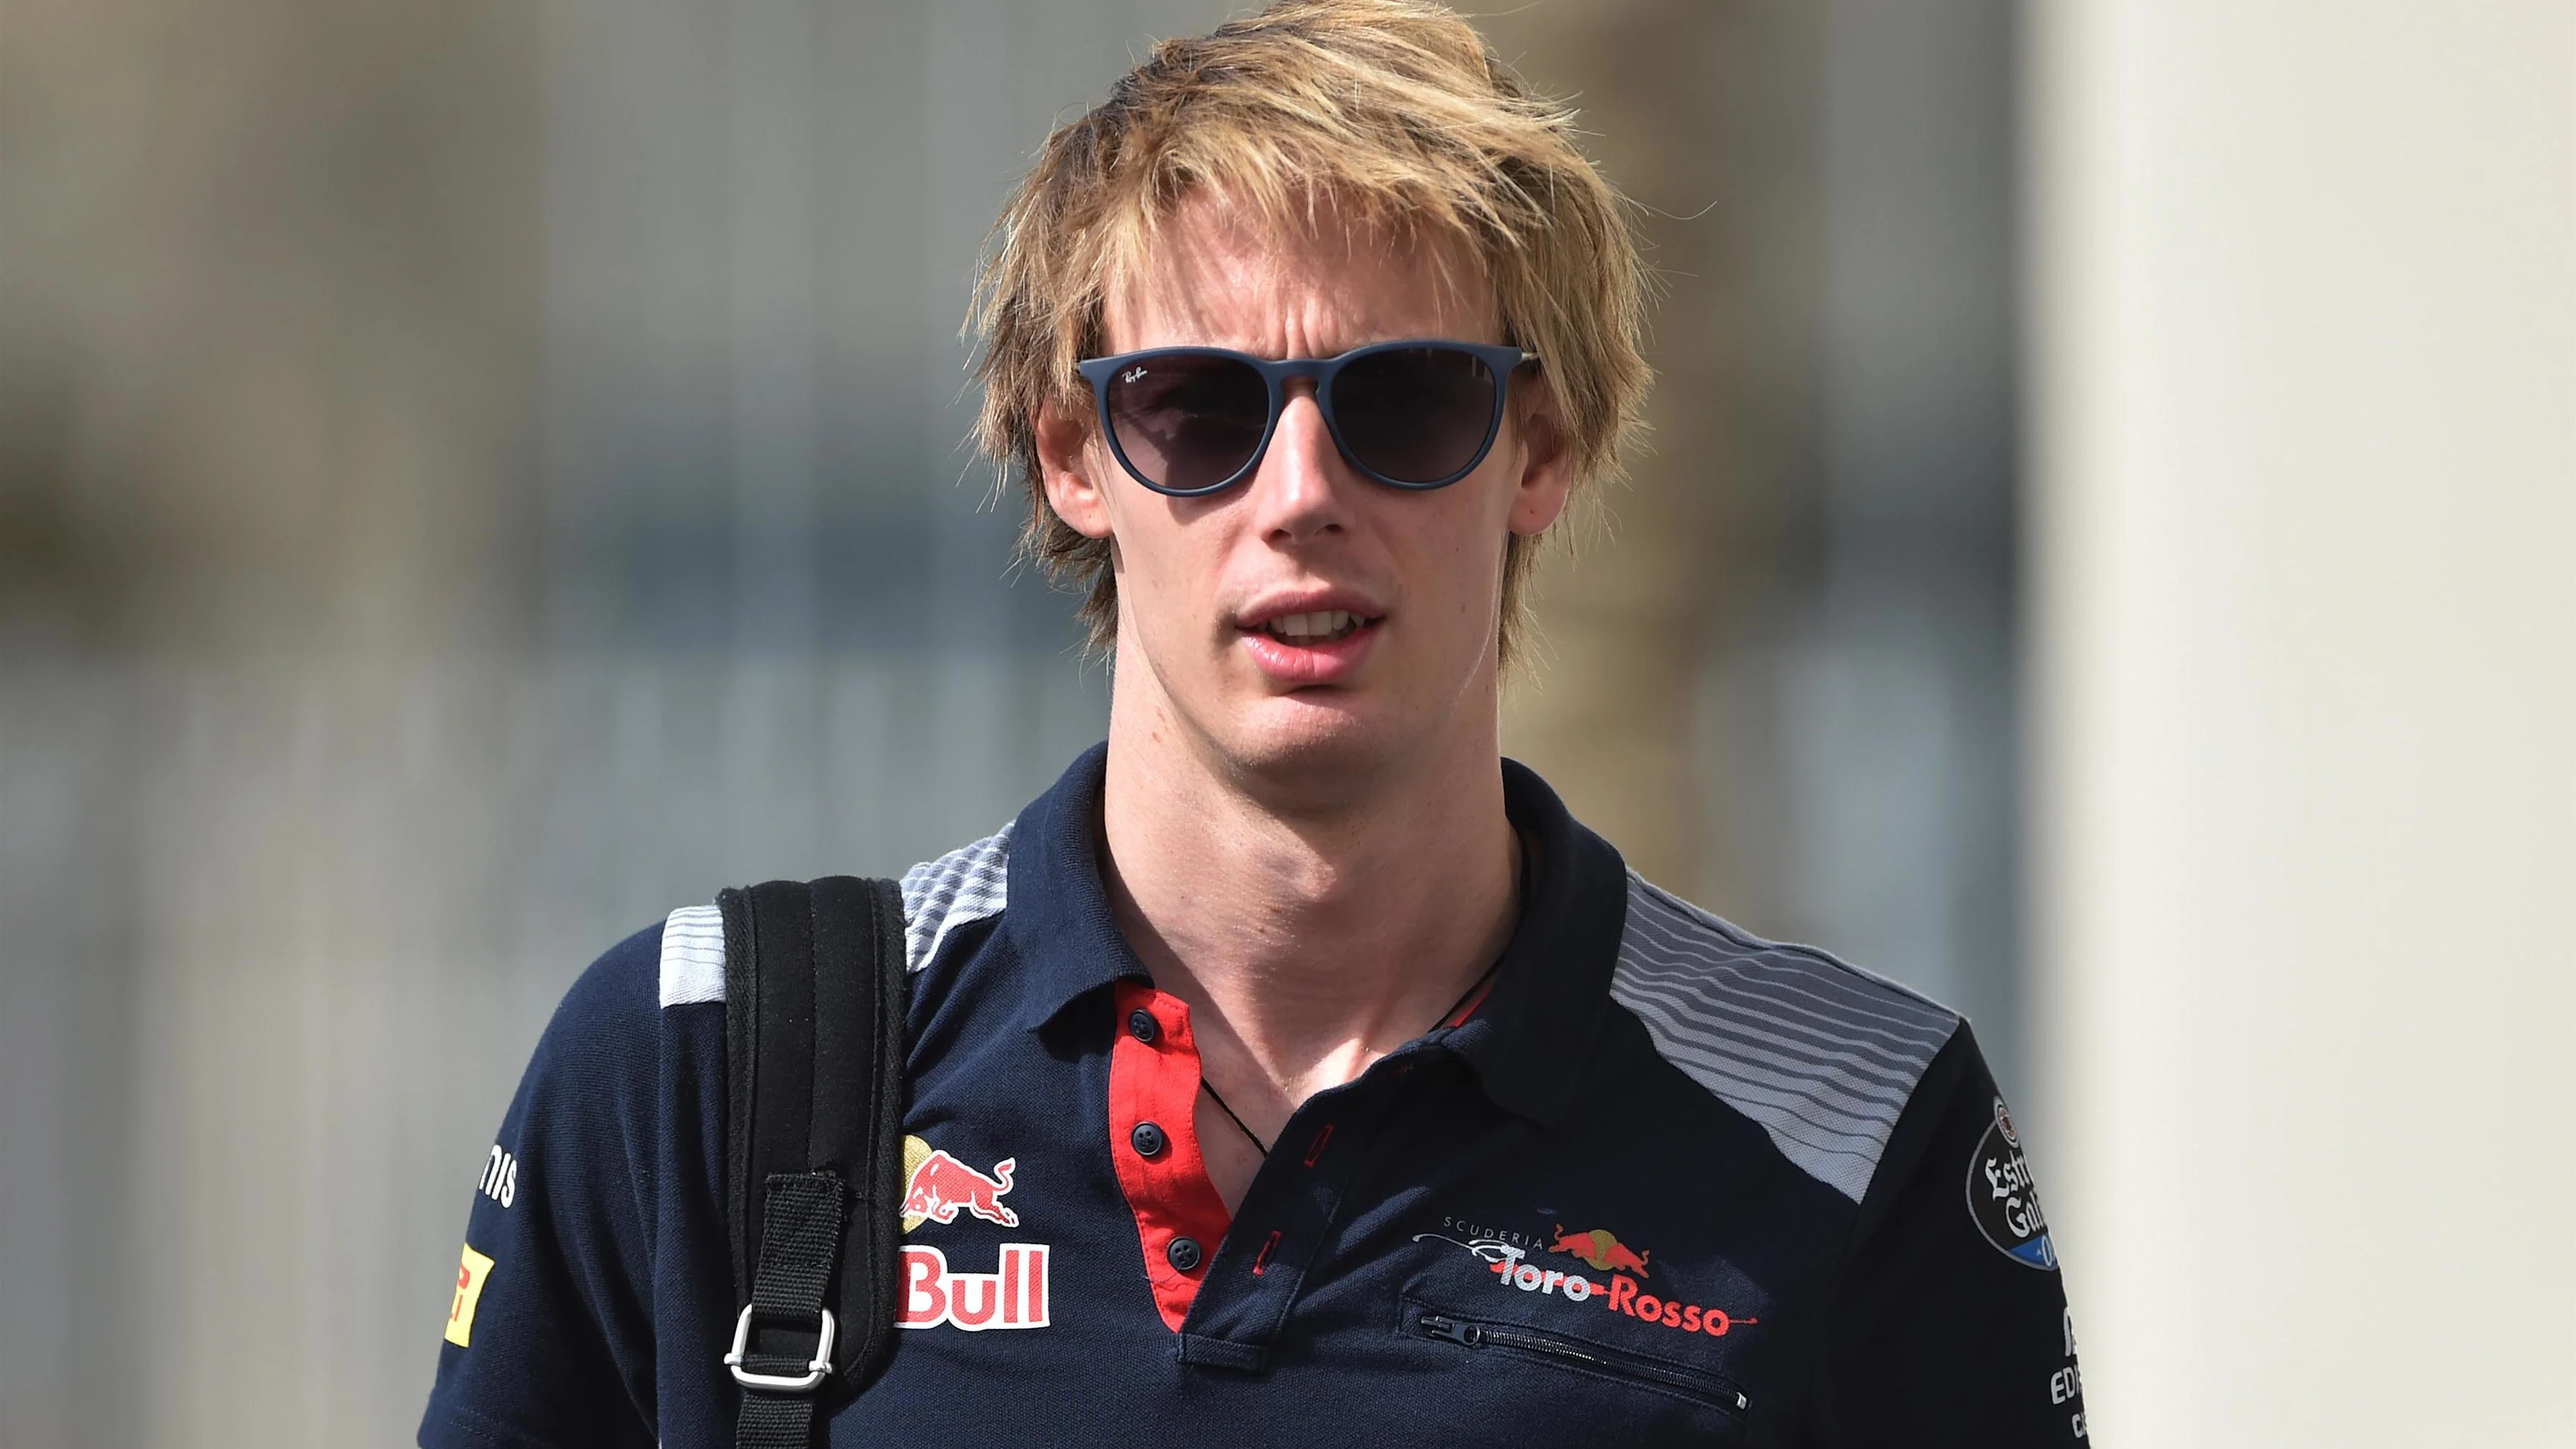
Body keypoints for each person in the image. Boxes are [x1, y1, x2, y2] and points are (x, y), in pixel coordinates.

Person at [419, 2, 2088, 1444]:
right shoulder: (696, 1064)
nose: (1300, 495)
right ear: (1069, 453)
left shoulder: (1855, 1132)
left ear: (1544, 450)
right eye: (1199, 406)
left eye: (1408, 401)